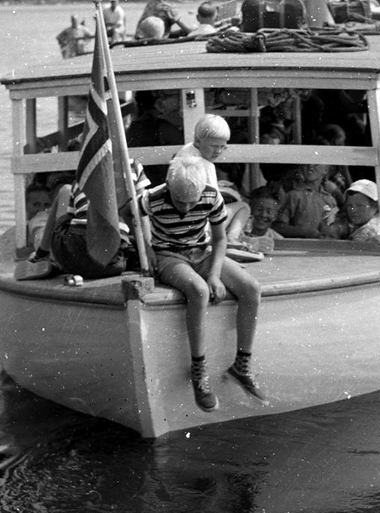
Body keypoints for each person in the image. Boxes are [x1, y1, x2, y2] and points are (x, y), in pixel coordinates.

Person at [142, 157, 263, 410]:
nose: (185, 208)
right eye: (179, 201)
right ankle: (199, 370)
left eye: (191, 201)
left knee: (251, 289)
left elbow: (219, 240)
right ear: (168, 187)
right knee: (198, 290)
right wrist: (145, 246)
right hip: (169, 256)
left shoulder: (211, 196)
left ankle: (241, 364)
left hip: (202, 252)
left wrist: (215, 275)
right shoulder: (153, 198)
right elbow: (128, 214)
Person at [33, 159, 151, 281]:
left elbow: (71, 216)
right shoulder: (133, 166)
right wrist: (149, 251)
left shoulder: (84, 171)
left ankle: (42, 255)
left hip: (71, 255)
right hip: (113, 264)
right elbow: (140, 215)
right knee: (123, 237)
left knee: (65, 190)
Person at [273, 162, 340, 239]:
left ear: (326, 169)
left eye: (316, 164)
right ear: (300, 167)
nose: (310, 167)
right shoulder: (293, 196)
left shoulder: (330, 200)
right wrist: (303, 231)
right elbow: (277, 226)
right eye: (306, 164)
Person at [173, 113, 230, 190]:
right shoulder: (206, 166)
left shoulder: (186, 150)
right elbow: (215, 198)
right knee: (241, 201)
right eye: (214, 146)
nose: (219, 151)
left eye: (223, 146)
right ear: (198, 141)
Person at [236, 188, 282, 254]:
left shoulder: (278, 240)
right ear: (249, 210)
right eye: (259, 209)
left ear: (275, 216)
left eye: (269, 212)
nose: (263, 215)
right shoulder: (236, 233)